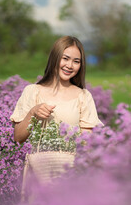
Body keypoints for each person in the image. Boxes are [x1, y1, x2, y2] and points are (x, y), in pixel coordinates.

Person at [10, 36, 102, 188]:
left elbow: (87, 142)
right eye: (65, 58)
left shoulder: (83, 96)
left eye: (76, 61)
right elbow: (18, 138)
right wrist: (33, 112)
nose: (70, 65)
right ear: (55, 58)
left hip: (70, 176)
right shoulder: (33, 92)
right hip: (39, 174)